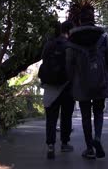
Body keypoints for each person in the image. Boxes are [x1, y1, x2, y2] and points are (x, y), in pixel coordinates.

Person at [65, 4, 108, 159]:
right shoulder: (103, 37)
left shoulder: (72, 39)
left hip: (81, 84)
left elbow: (69, 63)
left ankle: (89, 149)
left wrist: (71, 80)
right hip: (100, 82)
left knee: (86, 115)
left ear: (79, 20)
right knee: (98, 112)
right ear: (93, 18)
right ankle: (97, 139)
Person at [41, 21, 75, 160]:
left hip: (50, 86)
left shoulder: (49, 44)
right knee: (66, 116)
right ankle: (65, 143)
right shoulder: (69, 45)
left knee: (51, 118)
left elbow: (43, 60)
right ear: (70, 31)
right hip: (67, 86)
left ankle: (50, 145)